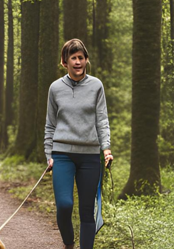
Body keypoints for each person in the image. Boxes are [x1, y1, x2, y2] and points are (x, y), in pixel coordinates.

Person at [45, 38, 113, 249]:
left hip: (90, 156)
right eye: (72, 58)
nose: (77, 62)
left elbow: (102, 120)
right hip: (62, 154)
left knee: (86, 211)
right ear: (64, 62)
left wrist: (106, 149)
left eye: (80, 58)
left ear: (86, 60)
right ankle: (68, 243)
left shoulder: (96, 86)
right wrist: (49, 154)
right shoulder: (55, 88)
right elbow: (50, 125)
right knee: (64, 205)